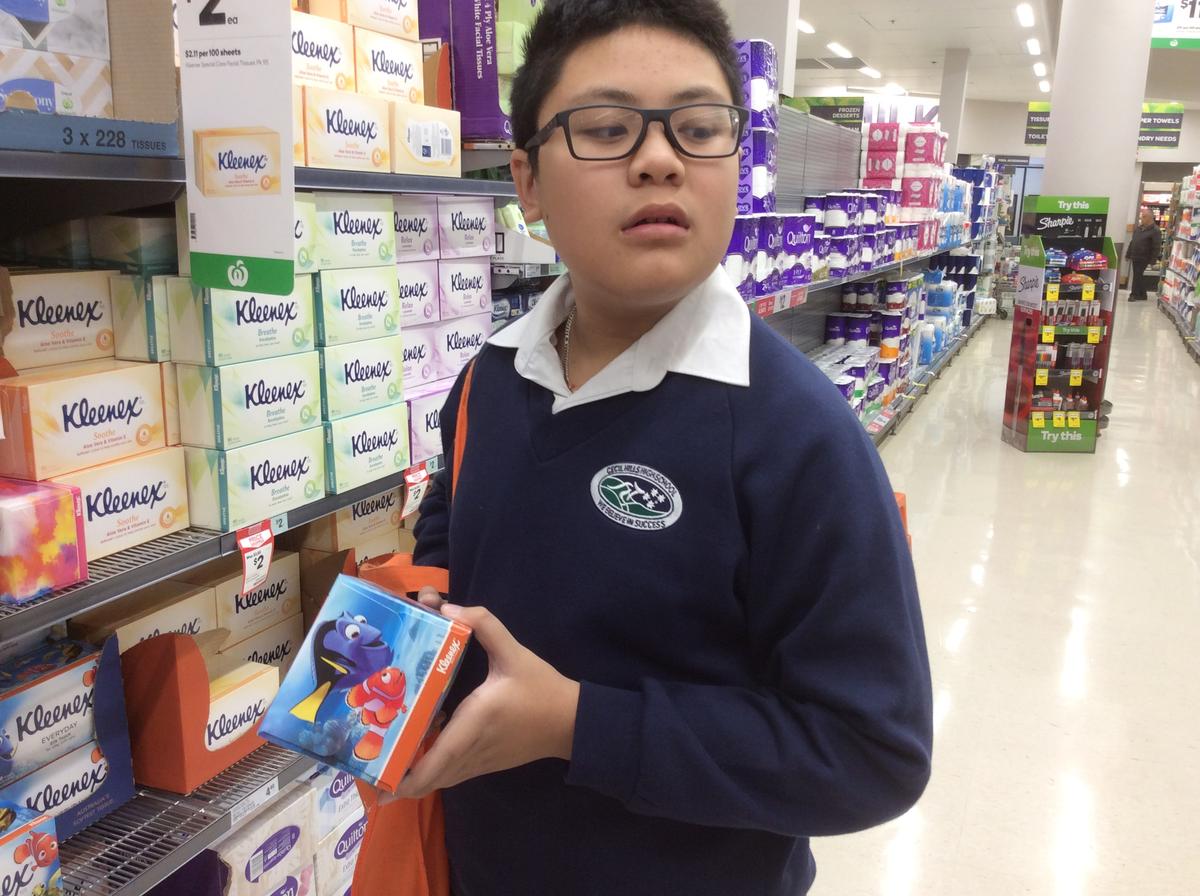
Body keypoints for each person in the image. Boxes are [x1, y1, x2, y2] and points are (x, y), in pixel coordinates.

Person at [398, 2, 933, 893]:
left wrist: (576, 725)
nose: (659, 160)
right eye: (607, 129)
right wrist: (406, 634)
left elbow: (872, 752)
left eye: (699, 129)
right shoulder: (487, 380)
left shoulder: (800, 437)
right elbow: (450, 536)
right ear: (527, 182)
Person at [1127, 208, 1162, 301]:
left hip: (1144, 257)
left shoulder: (1155, 230)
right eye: (1142, 216)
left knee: (1137, 275)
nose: (1141, 218)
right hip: (1135, 255)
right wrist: (1128, 254)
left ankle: (1133, 294)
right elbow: (1133, 242)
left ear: (1150, 218)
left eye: (1144, 217)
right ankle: (1143, 294)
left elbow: (1156, 246)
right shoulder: (1139, 228)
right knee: (1138, 275)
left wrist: (1153, 260)